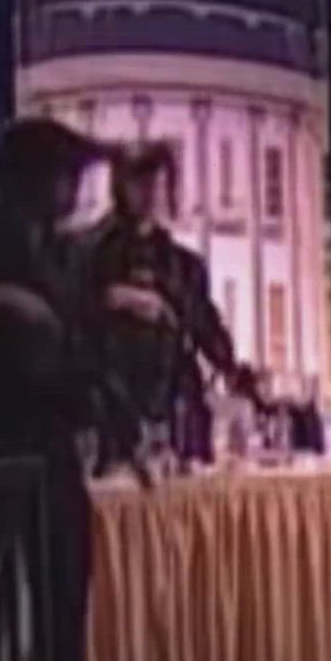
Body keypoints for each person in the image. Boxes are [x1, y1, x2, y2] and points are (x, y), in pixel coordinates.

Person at [0, 118, 119, 661]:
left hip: (50, 459)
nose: (74, 192)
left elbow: (71, 348)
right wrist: (3, 301)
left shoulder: (57, 255)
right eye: (65, 178)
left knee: (60, 617)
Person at [84, 142, 260, 463]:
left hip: (175, 398)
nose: (150, 194)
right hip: (115, 400)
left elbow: (205, 325)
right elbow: (73, 315)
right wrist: (117, 299)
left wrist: (233, 370)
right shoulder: (93, 257)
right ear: (121, 187)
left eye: (158, 184)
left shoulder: (184, 265)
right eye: (140, 183)